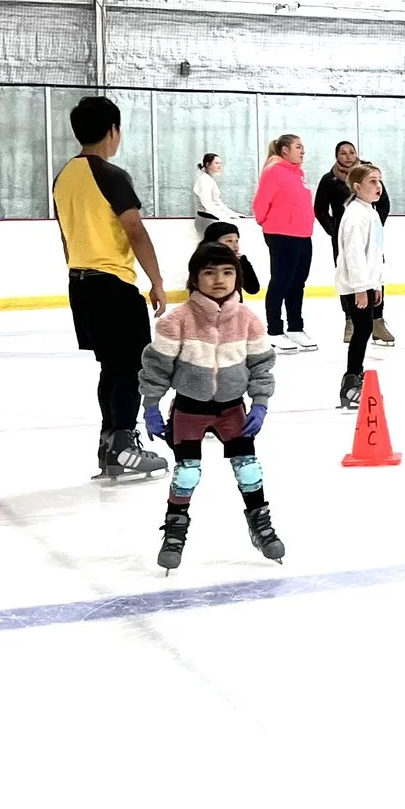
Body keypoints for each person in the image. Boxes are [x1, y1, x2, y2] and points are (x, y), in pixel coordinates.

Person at [139, 241, 282, 571]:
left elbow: (261, 364)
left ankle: (261, 526)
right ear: (194, 279)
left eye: (228, 272)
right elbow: (157, 367)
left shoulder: (248, 320)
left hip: (233, 411)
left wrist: (259, 403)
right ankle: (174, 533)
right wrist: (151, 405)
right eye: (209, 273)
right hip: (189, 411)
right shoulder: (177, 321)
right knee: (187, 474)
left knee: (248, 469)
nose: (219, 279)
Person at [54, 95, 172, 480]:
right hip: (113, 285)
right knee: (132, 366)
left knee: (111, 367)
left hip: (80, 284)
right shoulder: (111, 174)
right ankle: (123, 443)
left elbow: (66, 238)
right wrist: (156, 280)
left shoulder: (64, 178)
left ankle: (109, 444)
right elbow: (134, 229)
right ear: (113, 131)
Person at [313, 139, 395, 345]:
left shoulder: (368, 175)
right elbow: (320, 209)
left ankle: (377, 320)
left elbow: (384, 203)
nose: (348, 156)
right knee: (351, 275)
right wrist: (334, 231)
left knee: (374, 272)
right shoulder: (329, 180)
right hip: (346, 236)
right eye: (343, 153)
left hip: (369, 234)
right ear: (336, 157)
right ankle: (350, 320)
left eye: (351, 152)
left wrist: (376, 223)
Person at [251, 133, 316, 352]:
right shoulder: (274, 171)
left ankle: (296, 327)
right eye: (298, 147)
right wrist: (266, 222)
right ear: (285, 150)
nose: (302, 151)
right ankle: (275, 330)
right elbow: (261, 201)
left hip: (303, 234)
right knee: (281, 281)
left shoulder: (298, 174)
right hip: (281, 234)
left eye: (303, 147)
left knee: (298, 282)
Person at [332, 162, 386, 410]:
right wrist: (361, 287)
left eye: (379, 181)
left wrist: (377, 283)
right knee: (362, 331)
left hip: (366, 284)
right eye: (372, 182)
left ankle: (355, 378)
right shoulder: (355, 215)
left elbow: (374, 253)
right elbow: (353, 255)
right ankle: (351, 382)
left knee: (364, 330)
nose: (378, 186)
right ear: (357, 186)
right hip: (356, 286)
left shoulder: (371, 213)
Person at [198, 219, 263, 297]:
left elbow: (253, 289)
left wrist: (244, 263)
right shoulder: (202, 262)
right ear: (214, 242)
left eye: (236, 241)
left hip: (234, 307)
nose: (235, 246)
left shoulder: (238, 261)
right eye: (229, 241)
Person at [192, 152, 236, 229]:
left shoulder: (208, 179)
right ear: (207, 164)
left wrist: (232, 214)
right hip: (207, 219)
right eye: (216, 163)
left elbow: (217, 201)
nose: (219, 166)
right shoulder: (205, 180)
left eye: (220, 163)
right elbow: (207, 203)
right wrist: (223, 217)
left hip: (210, 218)